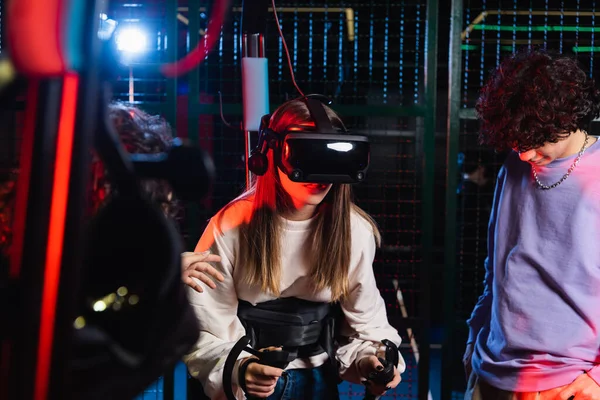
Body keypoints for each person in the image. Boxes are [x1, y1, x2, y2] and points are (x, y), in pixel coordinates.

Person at [183, 98, 405, 399]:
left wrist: (370, 361)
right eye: (307, 154)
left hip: (318, 382)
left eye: (332, 156)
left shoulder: (354, 231)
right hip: (249, 386)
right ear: (271, 155)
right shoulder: (232, 226)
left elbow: (366, 320)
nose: (320, 175)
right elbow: (203, 326)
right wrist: (242, 368)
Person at [464, 48, 600, 400]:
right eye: (516, 143)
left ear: (567, 118)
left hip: (569, 383)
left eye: (536, 142)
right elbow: (496, 268)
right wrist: (474, 335)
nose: (524, 154)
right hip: (490, 371)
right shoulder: (515, 165)